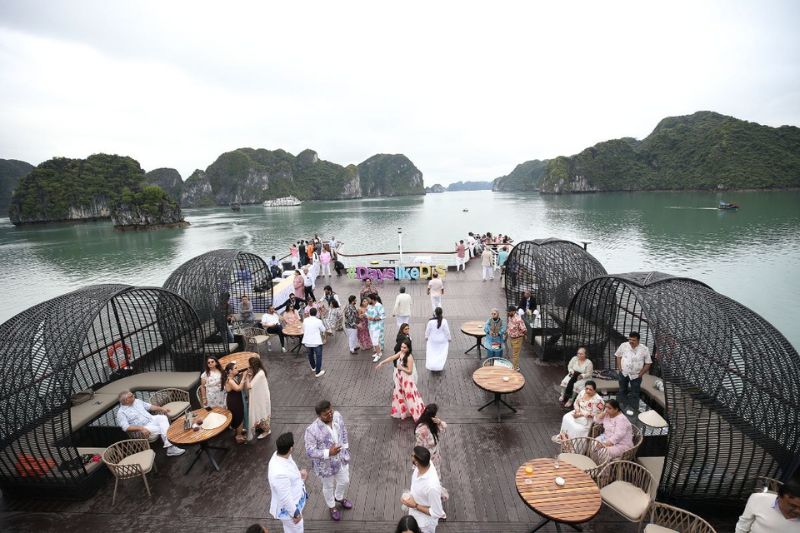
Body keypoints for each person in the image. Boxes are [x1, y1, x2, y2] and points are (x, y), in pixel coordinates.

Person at [304, 400, 352, 521]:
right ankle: (332, 506)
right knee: (328, 486)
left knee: (345, 481)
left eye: (330, 411)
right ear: (319, 416)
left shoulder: (337, 416)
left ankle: (339, 497)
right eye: (326, 414)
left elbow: (343, 431)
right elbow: (310, 452)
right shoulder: (311, 430)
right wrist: (328, 453)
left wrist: (346, 448)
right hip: (325, 466)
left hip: (341, 459)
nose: (330, 415)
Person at [115, 390, 185, 456]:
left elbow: (150, 407)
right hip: (142, 428)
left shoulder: (137, 401)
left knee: (162, 418)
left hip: (151, 419)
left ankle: (169, 445)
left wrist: (162, 409)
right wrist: (141, 428)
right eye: (131, 396)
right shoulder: (121, 413)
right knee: (162, 428)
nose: (134, 396)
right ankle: (171, 447)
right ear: (126, 400)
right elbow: (126, 427)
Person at [376, 341, 425, 422]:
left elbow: (410, 371)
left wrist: (401, 368)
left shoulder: (409, 357)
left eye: (404, 347)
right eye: (402, 347)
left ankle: (415, 412)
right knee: (400, 395)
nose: (402, 349)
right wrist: (382, 362)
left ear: (408, 348)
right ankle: (405, 411)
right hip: (399, 379)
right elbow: (392, 357)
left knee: (410, 396)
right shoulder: (401, 353)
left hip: (406, 380)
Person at [268, 432, 308, 533]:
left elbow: (289, 470)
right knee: (297, 529)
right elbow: (285, 497)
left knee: (289, 530)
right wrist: (295, 514)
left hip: (294, 502)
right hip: (289, 511)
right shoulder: (279, 474)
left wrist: (299, 475)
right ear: (290, 448)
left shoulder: (280, 455)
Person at [400, 446, 445, 533]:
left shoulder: (432, 487)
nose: (410, 456)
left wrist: (415, 505)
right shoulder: (425, 464)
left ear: (416, 462)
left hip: (424, 525)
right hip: (414, 515)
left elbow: (437, 513)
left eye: (412, 455)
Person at [735, 478, 800, 532]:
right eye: (793, 506)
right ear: (779, 497)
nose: (798, 511)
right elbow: (743, 525)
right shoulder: (758, 499)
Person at [415, 404, 449, 501]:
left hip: (435, 458)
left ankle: (432, 495)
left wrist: (439, 421)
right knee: (428, 478)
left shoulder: (433, 425)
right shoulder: (422, 430)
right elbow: (419, 447)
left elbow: (444, 426)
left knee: (434, 478)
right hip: (426, 459)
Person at [615, 331, 652, 414]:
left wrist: (641, 373)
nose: (631, 341)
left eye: (633, 340)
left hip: (636, 375)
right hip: (623, 373)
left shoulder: (644, 349)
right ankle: (620, 408)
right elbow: (618, 355)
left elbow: (648, 363)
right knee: (622, 390)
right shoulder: (624, 345)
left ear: (638, 340)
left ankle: (633, 410)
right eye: (630, 339)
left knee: (635, 393)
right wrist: (619, 368)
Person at [244, 356, 271, 440]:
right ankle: (262, 428)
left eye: (250, 366)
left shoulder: (260, 374)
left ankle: (267, 430)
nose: (248, 367)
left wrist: (247, 377)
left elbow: (249, 386)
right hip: (260, 397)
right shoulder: (259, 372)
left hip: (261, 398)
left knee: (262, 413)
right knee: (260, 412)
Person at [224, 362, 248, 444]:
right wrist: (244, 376)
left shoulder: (232, 377)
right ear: (230, 371)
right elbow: (238, 388)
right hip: (234, 401)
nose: (237, 369)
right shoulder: (230, 380)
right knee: (238, 416)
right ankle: (239, 436)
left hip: (235, 399)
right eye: (235, 368)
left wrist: (240, 375)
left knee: (238, 415)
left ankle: (239, 431)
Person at [425, 307, 451, 372]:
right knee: (440, 354)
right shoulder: (444, 321)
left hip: (432, 340)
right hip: (442, 341)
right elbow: (447, 331)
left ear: (435, 313)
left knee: (432, 353)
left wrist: (426, 337)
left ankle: (432, 365)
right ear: (441, 313)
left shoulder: (430, 321)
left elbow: (427, 331)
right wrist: (449, 338)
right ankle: (439, 366)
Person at [302, 307, 326, 377]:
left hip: (307, 341)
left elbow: (303, 329)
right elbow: (323, 330)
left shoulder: (305, 320)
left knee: (310, 355)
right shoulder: (318, 321)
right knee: (318, 356)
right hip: (316, 342)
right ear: (316, 313)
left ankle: (313, 367)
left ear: (309, 313)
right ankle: (318, 372)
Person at [505, 305, 527, 371]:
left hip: (517, 339)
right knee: (513, 352)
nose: (508, 313)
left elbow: (524, 329)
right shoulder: (510, 317)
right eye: (507, 311)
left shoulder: (518, 320)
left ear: (514, 311)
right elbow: (509, 325)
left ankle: (515, 368)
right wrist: (506, 333)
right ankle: (515, 365)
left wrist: (525, 336)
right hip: (511, 337)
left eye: (509, 312)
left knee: (515, 354)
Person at [366, 293, 385, 362]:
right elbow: (367, 313)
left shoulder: (379, 305)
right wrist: (364, 315)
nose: (367, 301)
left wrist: (374, 319)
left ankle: (379, 354)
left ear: (372, 299)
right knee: (373, 340)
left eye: (368, 299)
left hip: (377, 327)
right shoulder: (369, 306)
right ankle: (377, 352)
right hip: (370, 326)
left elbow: (382, 316)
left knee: (375, 341)